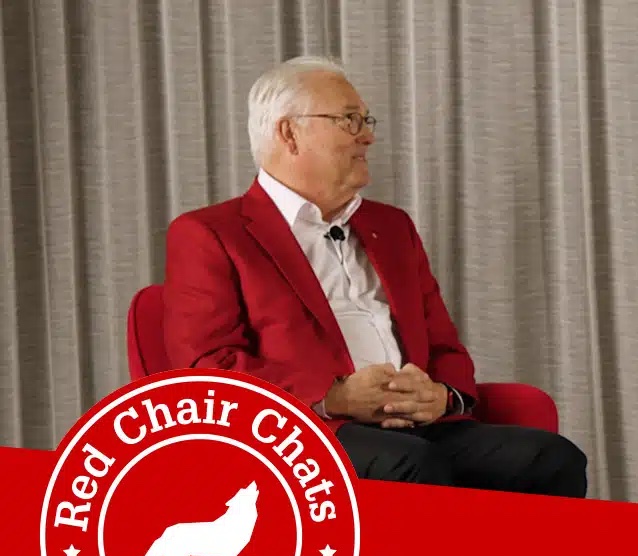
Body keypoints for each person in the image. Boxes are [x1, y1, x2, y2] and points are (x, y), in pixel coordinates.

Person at [163, 56, 587, 498]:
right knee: (413, 466)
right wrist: (333, 396)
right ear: (289, 133)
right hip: (306, 435)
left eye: (365, 119)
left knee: (551, 458)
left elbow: (444, 345)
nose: (368, 135)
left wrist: (443, 395)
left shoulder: (392, 227)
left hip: (420, 425)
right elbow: (206, 371)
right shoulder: (211, 234)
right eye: (349, 120)